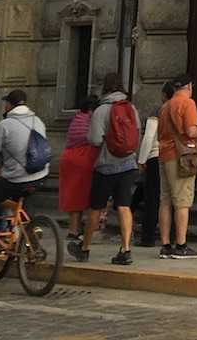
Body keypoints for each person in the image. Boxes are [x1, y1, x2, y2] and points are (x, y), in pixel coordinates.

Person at [0, 88, 50, 256]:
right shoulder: (38, 122)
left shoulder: (4, 125)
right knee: (25, 196)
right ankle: (32, 234)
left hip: (16, 178)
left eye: (5, 104)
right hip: (41, 174)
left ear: (9, 105)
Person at [74, 72, 142, 266]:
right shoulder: (130, 107)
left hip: (105, 166)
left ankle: (85, 247)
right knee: (124, 206)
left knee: (96, 207)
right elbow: (137, 133)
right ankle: (126, 249)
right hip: (128, 164)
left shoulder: (101, 110)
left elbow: (94, 139)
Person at [157, 75, 197, 258]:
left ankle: (165, 245)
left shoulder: (164, 107)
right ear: (188, 86)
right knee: (182, 201)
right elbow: (191, 131)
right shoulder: (188, 103)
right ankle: (181, 245)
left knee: (165, 200)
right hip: (181, 158)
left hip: (164, 155)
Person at [135, 79, 174, 248]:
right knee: (170, 199)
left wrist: (141, 160)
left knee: (152, 199)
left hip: (155, 156)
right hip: (172, 157)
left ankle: (148, 237)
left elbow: (149, 137)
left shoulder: (158, 111)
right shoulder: (180, 110)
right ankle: (172, 236)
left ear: (164, 95)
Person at [59, 95, 97, 255]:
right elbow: (95, 139)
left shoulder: (77, 119)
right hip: (84, 159)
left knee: (74, 196)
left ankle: (73, 229)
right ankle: (87, 230)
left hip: (68, 159)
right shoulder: (91, 120)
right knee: (88, 198)